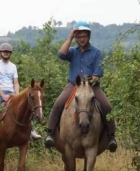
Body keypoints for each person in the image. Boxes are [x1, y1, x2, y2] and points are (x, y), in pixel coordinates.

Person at [44, 21, 117, 152]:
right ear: (76, 38)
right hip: (73, 85)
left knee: (107, 106)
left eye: (84, 36)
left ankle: (111, 137)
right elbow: (61, 54)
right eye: (79, 37)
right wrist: (70, 37)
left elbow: (97, 73)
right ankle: (50, 133)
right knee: (58, 103)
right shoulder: (72, 51)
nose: (82, 39)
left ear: (88, 36)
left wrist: (89, 81)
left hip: (92, 86)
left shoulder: (96, 53)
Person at [0, 43, 41, 141]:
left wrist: (17, 95)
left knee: (26, 106)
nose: (6, 53)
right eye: (4, 51)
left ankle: (32, 131)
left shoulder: (13, 66)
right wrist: (2, 95)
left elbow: (16, 82)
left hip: (11, 91)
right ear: (0, 52)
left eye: (8, 52)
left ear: (10, 53)